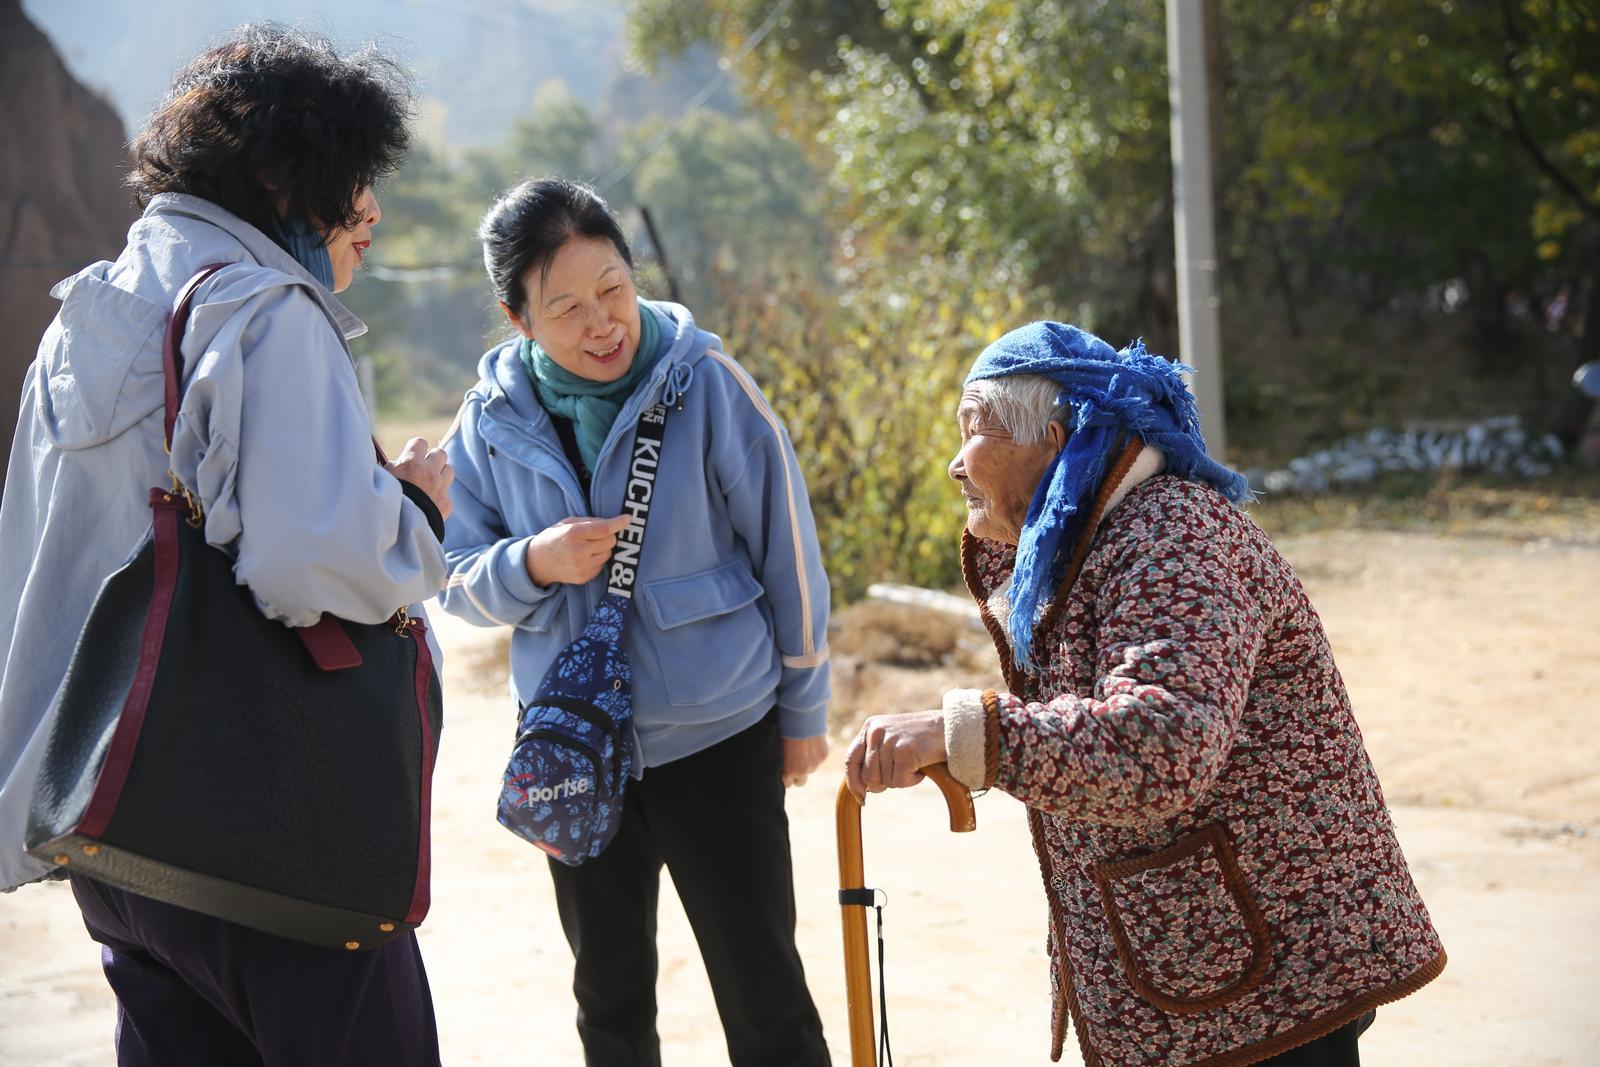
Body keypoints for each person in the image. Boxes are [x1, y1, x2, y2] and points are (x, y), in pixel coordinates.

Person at [0, 25, 452, 1066]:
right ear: (282, 176)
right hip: (266, 835)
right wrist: (415, 511)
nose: (369, 213)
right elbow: (309, 563)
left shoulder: (85, 316)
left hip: (117, 823)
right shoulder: (260, 311)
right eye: (352, 180)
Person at [845, 323, 1446, 1067]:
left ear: (1053, 438)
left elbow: (1160, 743)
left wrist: (968, 734)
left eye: (975, 430)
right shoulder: (1090, 543)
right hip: (1210, 962)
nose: (954, 463)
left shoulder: (1174, 535)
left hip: (1269, 979)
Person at [439, 177, 832, 1067]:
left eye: (612, 288)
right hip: (575, 753)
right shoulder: (490, 424)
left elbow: (790, 552)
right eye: (568, 306)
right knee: (609, 1005)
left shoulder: (707, 383)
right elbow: (454, 582)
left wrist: (805, 709)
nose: (602, 323)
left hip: (719, 736)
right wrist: (533, 561)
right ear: (518, 318)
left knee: (765, 995)